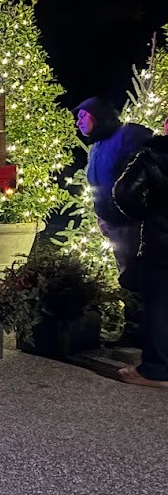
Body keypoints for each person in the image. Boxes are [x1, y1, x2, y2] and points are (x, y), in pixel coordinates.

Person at [111, 119, 168, 388]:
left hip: (162, 242)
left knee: (159, 305)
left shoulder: (153, 156)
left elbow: (123, 192)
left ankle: (157, 370)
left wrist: (146, 215)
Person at [76, 97, 154, 276]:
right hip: (113, 224)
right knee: (125, 273)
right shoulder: (97, 146)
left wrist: (135, 214)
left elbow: (148, 172)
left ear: (97, 115)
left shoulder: (129, 135)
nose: (78, 122)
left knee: (136, 276)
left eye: (82, 116)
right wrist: (102, 216)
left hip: (131, 226)